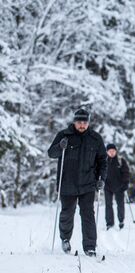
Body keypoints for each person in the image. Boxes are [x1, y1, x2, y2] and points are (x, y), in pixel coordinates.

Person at [47, 108, 107, 256]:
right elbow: (51, 153)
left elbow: (103, 161)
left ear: (88, 123)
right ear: (74, 122)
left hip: (88, 183)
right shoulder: (64, 136)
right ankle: (65, 239)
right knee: (67, 213)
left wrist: (101, 179)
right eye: (79, 122)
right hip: (67, 182)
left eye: (84, 122)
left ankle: (90, 246)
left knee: (88, 215)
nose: (82, 125)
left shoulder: (95, 138)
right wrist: (60, 146)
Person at [104, 143, 130, 230]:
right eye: (110, 151)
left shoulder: (120, 160)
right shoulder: (104, 161)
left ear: (116, 151)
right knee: (108, 205)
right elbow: (99, 172)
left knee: (120, 204)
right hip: (107, 186)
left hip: (119, 186)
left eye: (113, 151)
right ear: (107, 152)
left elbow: (126, 172)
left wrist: (125, 183)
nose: (111, 153)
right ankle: (109, 223)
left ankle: (121, 220)